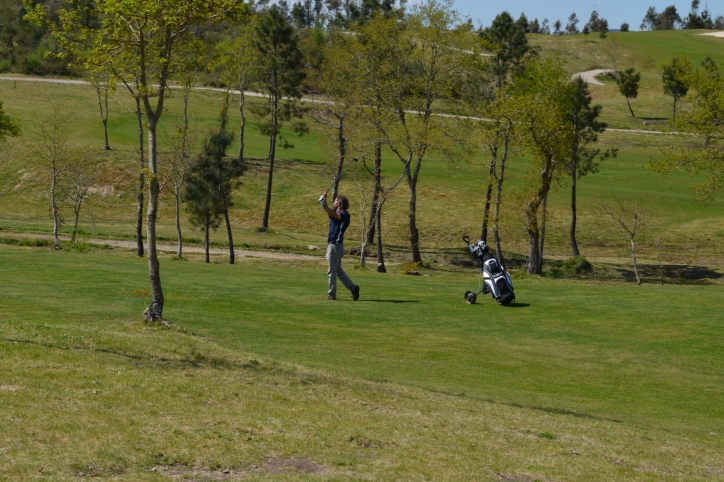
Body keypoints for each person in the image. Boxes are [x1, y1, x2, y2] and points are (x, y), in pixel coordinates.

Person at [320, 193, 359, 301]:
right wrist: (323, 201)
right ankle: (353, 288)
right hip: (335, 246)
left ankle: (331, 294)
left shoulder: (345, 215)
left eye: (336, 200)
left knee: (331, 271)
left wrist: (323, 201)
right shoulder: (335, 213)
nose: (334, 202)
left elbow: (331, 212)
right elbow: (329, 211)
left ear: (339, 204)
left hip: (335, 246)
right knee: (337, 270)